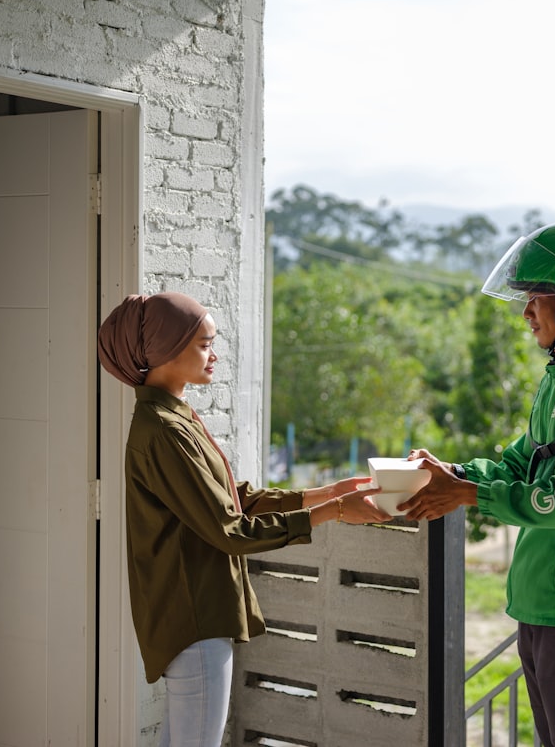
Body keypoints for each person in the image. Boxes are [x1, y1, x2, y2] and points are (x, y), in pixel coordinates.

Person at [97, 291, 391, 747]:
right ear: (163, 350)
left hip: (193, 617)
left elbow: (234, 501)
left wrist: (327, 491)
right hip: (194, 619)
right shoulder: (163, 430)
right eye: (203, 344)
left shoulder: (173, 418)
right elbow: (231, 531)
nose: (214, 355)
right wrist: (331, 512)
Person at [402, 222, 555, 746]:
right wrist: (455, 474)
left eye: (537, 299)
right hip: (539, 603)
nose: (525, 313)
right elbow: (517, 465)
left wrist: (468, 494)